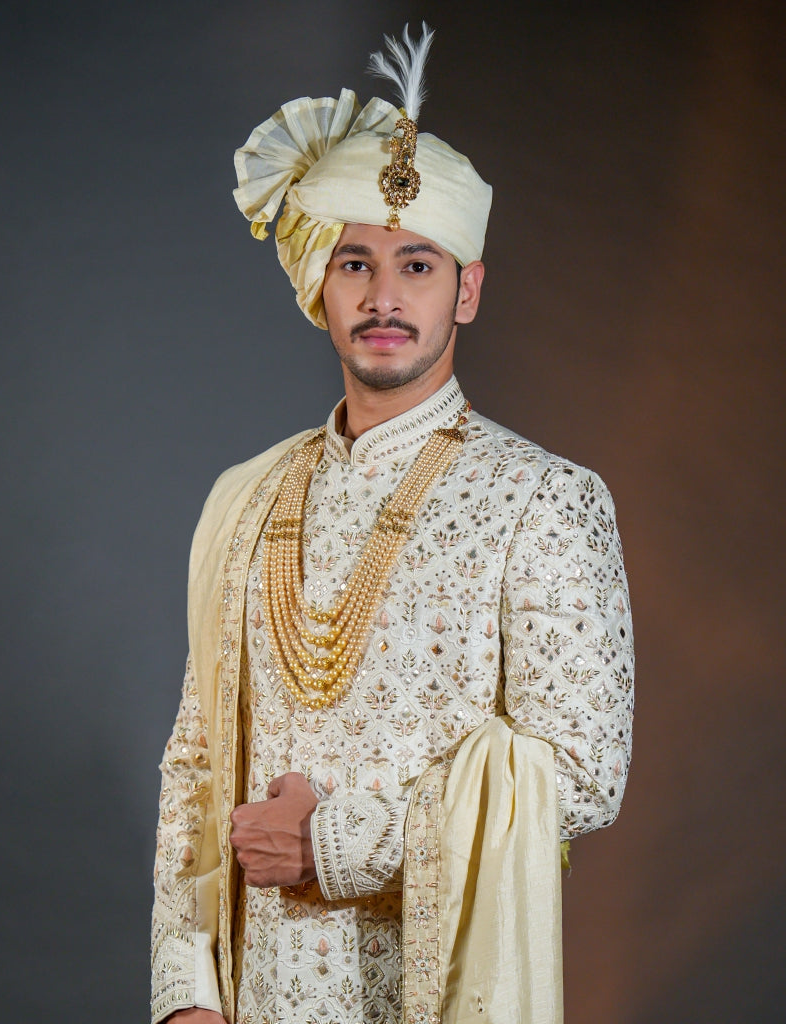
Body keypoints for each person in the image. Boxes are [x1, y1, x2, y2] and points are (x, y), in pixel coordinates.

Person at [151, 24, 634, 1024]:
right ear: (316, 288)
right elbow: (196, 758)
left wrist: (331, 845)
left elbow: (577, 774)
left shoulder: (543, 497)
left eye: (417, 265)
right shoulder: (245, 497)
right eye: (354, 264)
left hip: (436, 988)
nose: (382, 297)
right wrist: (185, 991)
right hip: (252, 997)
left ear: (467, 288)